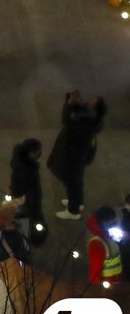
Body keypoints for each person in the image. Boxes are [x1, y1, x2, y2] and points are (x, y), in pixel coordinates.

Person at [49, 91, 108, 220]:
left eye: (93, 102)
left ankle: (73, 211)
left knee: (72, 182)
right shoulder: (92, 117)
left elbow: (67, 122)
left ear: (95, 109)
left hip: (74, 156)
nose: (89, 102)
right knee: (76, 182)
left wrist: (69, 104)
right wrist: (70, 100)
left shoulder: (87, 124)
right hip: (78, 155)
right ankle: (77, 203)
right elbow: (78, 107)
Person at [9, 138, 45, 239]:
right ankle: (26, 235)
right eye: (36, 152)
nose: (38, 154)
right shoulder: (29, 169)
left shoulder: (18, 158)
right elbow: (34, 190)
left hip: (17, 193)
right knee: (27, 215)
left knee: (22, 213)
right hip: (25, 197)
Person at [85, 206, 123, 285]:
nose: (114, 224)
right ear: (103, 223)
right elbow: (95, 271)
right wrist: (96, 290)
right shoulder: (96, 244)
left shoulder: (109, 235)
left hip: (115, 279)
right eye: (111, 221)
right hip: (107, 283)